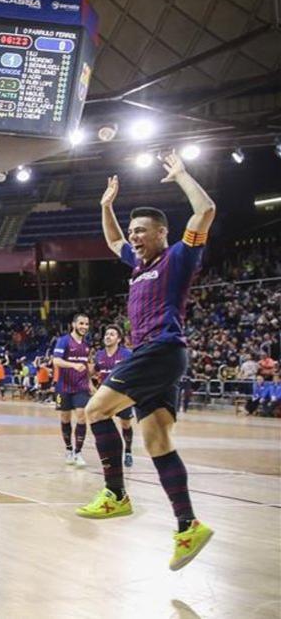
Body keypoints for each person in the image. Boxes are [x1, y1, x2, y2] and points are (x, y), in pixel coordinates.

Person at [76, 152, 216, 571]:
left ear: (162, 233)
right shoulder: (137, 266)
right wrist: (106, 206)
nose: (134, 237)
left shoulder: (179, 256)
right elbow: (113, 242)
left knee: (94, 410)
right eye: (133, 231)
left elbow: (205, 210)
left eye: (142, 231)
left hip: (161, 349)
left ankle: (115, 494)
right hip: (157, 359)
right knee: (157, 442)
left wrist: (182, 176)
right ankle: (188, 526)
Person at [53, 313, 92, 467]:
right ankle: (68, 449)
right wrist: (73, 365)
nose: (84, 327)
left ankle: (78, 452)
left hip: (80, 386)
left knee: (82, 416)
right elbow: (56, 361)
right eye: (81, 323)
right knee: (65, 418)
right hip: (63, 386)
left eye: (87, 324)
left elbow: (87, 366)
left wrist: (90, 383)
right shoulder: (63, 341)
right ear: (74, 324)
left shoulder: (87, 345)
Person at [93, 325, 135, 467]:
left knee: (125, 424)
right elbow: (93, 371)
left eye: (112, 334)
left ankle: (128, 451)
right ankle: (110, 453)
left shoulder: (127, 354)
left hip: (122, 396)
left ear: (118, 339)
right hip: (105, 396)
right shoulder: (99, 355)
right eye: (106, 334)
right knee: (102, 423)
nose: (108, 336)